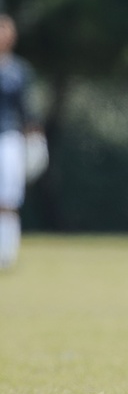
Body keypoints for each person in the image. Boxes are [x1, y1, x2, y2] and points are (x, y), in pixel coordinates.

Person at [0, 14, 44, 270]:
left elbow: (28, 110)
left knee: (8, 197)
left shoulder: (19, 70)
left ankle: (6, 253)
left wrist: (36, 139)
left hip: (8, 137)